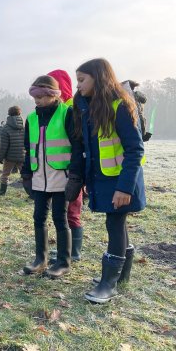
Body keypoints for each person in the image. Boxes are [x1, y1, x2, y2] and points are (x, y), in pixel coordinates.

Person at [73, 58, 145, 303]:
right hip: (103, 179)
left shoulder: (120, 106)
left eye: (82, 80)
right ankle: (121, 276)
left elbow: (135, 149)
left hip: (122, 181)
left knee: (114, 224)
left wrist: (125, 187)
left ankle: (109, 283)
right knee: (117, 223)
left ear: (99, 77)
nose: (78, 85)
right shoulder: (89, 107)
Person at [21, 75, 83, 279]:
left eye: (40, 95)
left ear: (52, 95)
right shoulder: (31, 119)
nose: (36, 100)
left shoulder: (68, 113)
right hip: (39, 178)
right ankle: (41, 259)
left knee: (60, 219)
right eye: (34, 95)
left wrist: (75, 177)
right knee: (38, 218)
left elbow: (77, 147)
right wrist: (26, 174)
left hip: (61, 178)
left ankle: (63, 262)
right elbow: (28, 148)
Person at [47, 69, 85, 262]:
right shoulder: (58, 109)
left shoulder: (72, 109)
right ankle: (67, 248)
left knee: (72, 210)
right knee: (63, 211)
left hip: (72, 170)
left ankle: (74, 252)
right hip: (59, 170)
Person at [0, 105, 25, 195]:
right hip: (22, 155)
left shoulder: (5, 128)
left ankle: (2, 191)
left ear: (9, 114)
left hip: (9, 157)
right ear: (19, 113)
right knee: (25, 175)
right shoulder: (24, 128)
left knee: (5, 175)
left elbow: (3, 146)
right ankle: (31, 192)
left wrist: (0, 158)